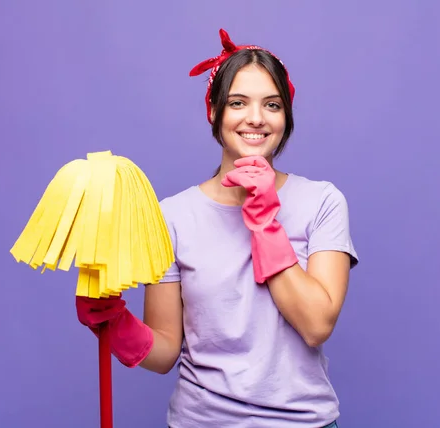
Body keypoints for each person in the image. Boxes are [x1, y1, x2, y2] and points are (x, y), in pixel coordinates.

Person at [76, 28, 359, 428]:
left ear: (286, 116)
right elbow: (164, 352)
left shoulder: (323, 202)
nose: (256, 118)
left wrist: (265, 221)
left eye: (272, 105)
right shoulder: (171, 216)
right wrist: (114, 323)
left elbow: (316, 327)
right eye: (238, 103)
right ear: (214, 111)